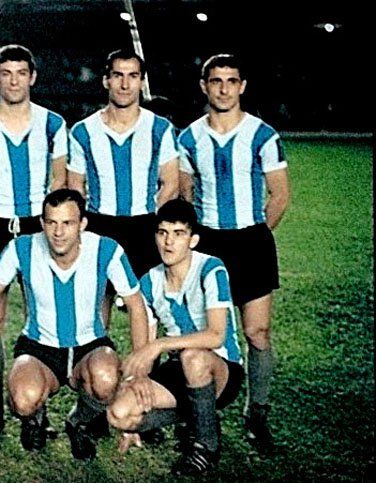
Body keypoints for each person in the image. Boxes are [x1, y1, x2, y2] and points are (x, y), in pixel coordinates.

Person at [178, 53, 290, 454]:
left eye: (231, 81)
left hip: (252, 242)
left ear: (242, 86)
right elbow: (186, 193)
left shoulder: (263, 135)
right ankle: (197, 417)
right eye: (215, 81)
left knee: (256, 333)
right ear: (204, 85)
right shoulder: (188, 138)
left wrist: (255, 236)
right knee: (205, 335)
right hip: (208, 244)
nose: (223, 88)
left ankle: (256, 413)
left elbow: (279, 195)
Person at [0, 44, 68, 440]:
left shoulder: (54, 124)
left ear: (32, 77)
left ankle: (37, 408)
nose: (14, 80)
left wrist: (43, 219)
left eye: (22, 72)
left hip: (40, 227)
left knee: (45, 315)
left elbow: (60, 180)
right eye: (6, 73)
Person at [0, 189, 148, 458]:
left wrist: (141, 369)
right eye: (51, 222)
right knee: (23, 398)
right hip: (39, 347)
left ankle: (79, 422)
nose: (58, 232)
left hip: (90, 345)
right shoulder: (21, 248)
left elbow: (136, 306)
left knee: (106, 379)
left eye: (67, 223)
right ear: (42, 223)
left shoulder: (106, 249)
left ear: (82, 224)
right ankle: (35, 418)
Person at [107, 198, 244, 475]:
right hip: (179, 369)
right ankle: (201, 417)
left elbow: (216, 335)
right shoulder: (149, 280)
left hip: (220, 368)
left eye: (178, 234)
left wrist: (160, 344)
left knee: (193, 358)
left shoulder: (211, 269)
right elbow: (144, 344)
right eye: (162, 233)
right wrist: (138, 380)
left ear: (193, 240)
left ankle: (205, 446)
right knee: (119, 414)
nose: (168, 242)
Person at [67, 48, 179, 328]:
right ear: (106, 80)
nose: (125, 84)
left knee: (146, 310)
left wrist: (153, 218)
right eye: (118, 76)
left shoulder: (160, 128)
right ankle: (95, 367)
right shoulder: (83, 131)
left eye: (133, 76)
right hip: (99, 225)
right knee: (95, 309)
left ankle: (145, 372)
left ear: (142, 81)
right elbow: (75, 187)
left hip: (144, 226)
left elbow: (171, 183)